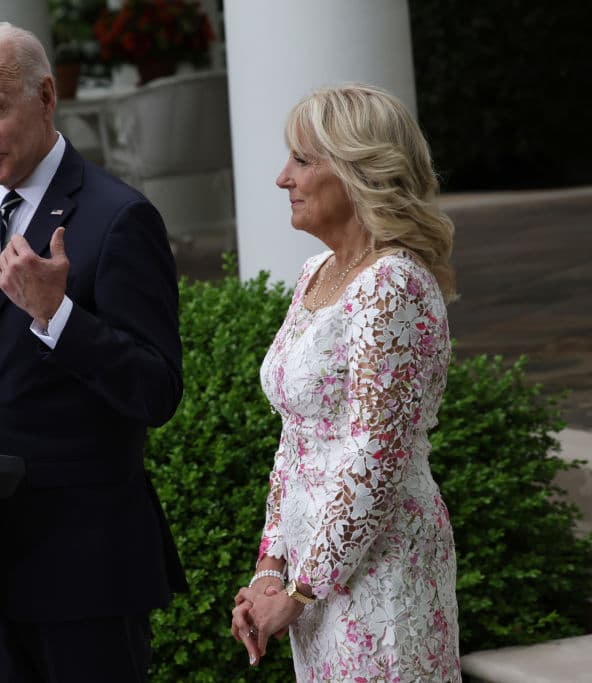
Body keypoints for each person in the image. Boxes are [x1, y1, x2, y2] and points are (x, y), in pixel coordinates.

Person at [0, 22, 186, 683]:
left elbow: (157, 389)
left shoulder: (118, 216)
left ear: (46, 97)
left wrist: (58, 314)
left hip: (90, 567)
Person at [229, 83, 461, 681]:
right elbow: (295, 440)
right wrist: (269, 571)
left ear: (361, 172)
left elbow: (378, 454)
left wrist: (301, 588)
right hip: (315, 577)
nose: (283, 178)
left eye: (302, 160)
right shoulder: (316, 272)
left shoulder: (393, 283)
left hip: (382, 572)